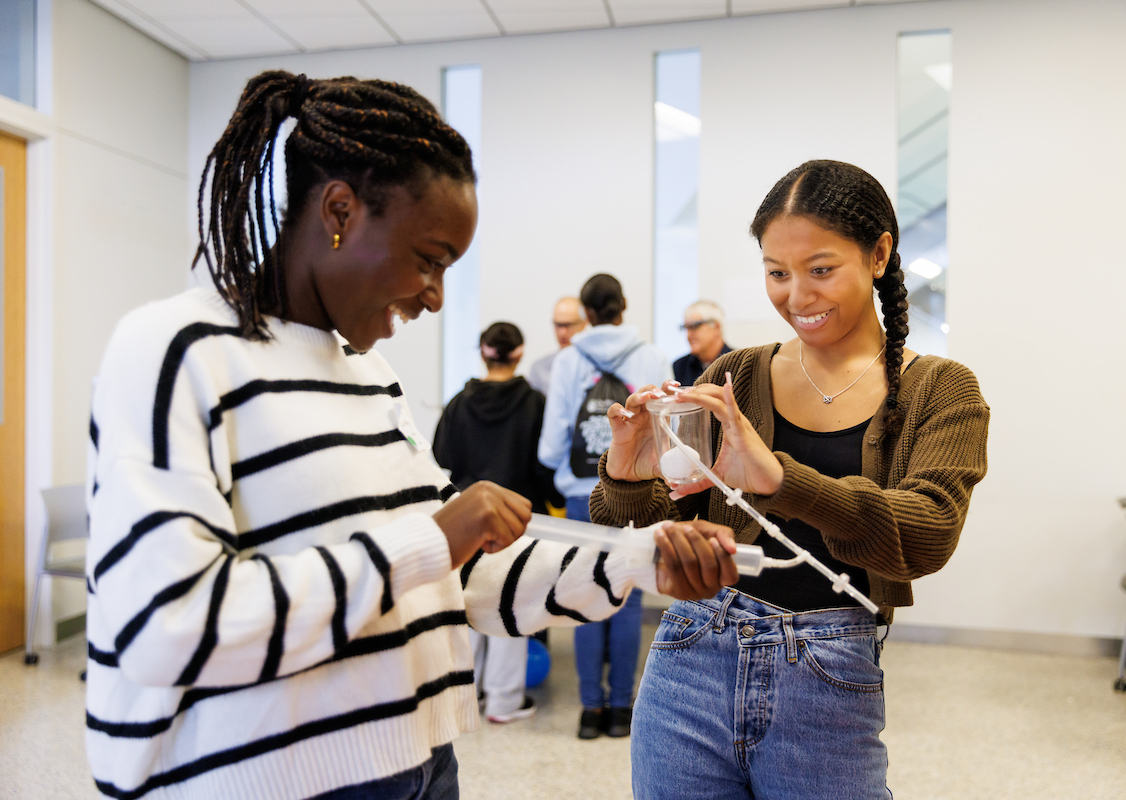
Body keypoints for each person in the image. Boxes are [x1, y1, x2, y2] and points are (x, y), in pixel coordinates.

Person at [84, 70, 740, 800]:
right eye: (428, 261)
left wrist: (636, 562)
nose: (433, 297)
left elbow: (454, 581)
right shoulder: (176, 351)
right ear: (340, 209)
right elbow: (167, 627)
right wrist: (437, 536)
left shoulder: (371, 376)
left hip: (418, 765)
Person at [591, 160, 990, 799]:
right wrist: (629, 476)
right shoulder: (735, 376)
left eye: (820, 270)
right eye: (777, 273)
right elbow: (629, 530)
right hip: (693, 653)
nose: (797, 296)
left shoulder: (941, 390)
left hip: (829, 674)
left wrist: (783, 479)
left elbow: (928, 536)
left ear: (880, 253)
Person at [537, 273, 671, 739]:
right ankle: (622, 709)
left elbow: (552, 443)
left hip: (580, 493)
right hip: (637, 492)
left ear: (586, 313)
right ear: (624, 305)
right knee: (627, 597)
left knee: (585, 595)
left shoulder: (570, 358)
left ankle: (590, 709)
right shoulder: (652, 355)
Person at [432, 321, 561, 724]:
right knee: (512, 607)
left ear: (483, 352)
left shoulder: (457, 404)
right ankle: (504, 701)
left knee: (468, 607)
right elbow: (544, 466)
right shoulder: (536, 403)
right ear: (520, 352)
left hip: (467, 521)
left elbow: (440, 463)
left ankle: (465, 699)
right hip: (519, 520)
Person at [527, 296, 587, 395]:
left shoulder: (597, 366)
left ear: (584, 324)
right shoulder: (540, 369)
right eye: (558, 325)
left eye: (568, 325)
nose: (562, 333)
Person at [672, 300, 733, 386]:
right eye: (686, 328)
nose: (688, 335)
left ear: (716, 327)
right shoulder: (680, 366)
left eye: (695, 326)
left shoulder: (739, 363)